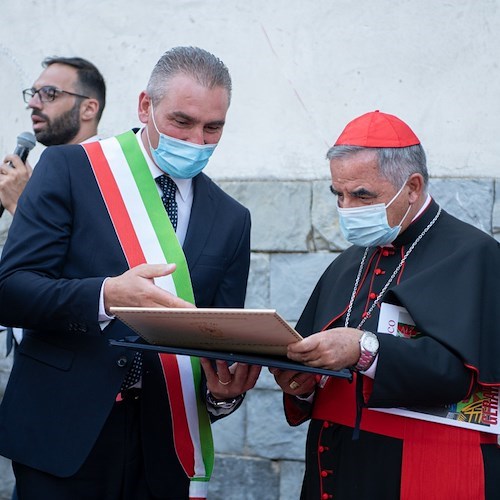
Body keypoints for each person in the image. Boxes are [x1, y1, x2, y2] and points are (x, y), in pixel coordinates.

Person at [0, 46, 260, 499]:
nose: (198, 141)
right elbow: (11, 289)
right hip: (64, 431)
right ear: (146, 106)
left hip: (164, 445)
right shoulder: (69, 169)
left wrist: (222, 394)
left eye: (213, 127)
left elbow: (216, 342)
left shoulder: (232, 218)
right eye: (182, 121)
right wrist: (105, 296)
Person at [271, 110, 500, 499]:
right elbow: (318, 375)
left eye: (362, 195)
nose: (347, 208)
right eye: (338, 194)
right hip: (336, 465)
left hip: (423, 467)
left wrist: (363, 349)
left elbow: (463, 375)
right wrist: (302, 384)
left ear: (412, 187)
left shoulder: (475, 254)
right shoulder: (348, 262)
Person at [0, 55, 106, 216]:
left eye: (49, 93)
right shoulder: (46, 172)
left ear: (88, 109)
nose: (32, 103)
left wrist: (21, 204)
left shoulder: (110, 173)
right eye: (34, 93)